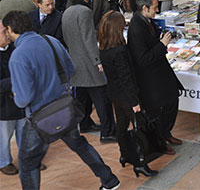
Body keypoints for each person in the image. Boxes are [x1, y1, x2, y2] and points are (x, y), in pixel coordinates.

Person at [4, 10, 120, 190]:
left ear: (11, 29)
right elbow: (70, 69)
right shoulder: (51, 41)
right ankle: (110, 180)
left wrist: (17, 95)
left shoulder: (18, 56)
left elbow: (23, 99)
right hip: (64, 109)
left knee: (27, 164)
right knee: (81, 146)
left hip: (39, 118)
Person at [98, 11, 158, 178]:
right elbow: (126, 79)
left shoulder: (104, 48)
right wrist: (134, 102)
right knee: (139, 129)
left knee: (122, 126)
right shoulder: (120, 51)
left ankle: (124, 154)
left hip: (114, 94)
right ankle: (140, 163)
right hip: (126, 96)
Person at [127, 0, 184, 153]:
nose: (157, 11)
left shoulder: (147, 21)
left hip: (160, 74)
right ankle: (160, 141)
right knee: (156, 112)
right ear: (144, 8)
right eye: (154, 7)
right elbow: (142, 59)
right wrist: (162, 45)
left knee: (172, 101)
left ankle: (166, 133)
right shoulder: (136, 28)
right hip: (150, 80)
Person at [63, 0, 116, 143]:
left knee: (82, 97)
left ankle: (85, 123)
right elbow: (89, 39)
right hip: (88, 63)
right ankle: (108, 132)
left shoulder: (66, 12)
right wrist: (97, 60)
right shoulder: (85, 12)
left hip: (74, 62)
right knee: (101, 98)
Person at [0, 19, 47, 176]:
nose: (8, 34)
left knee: (24, 133)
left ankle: (29, 159)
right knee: (4, 136)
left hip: (21, 100)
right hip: (4, 105)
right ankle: (4, 162)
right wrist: (18, 77)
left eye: (7, 30)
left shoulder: (15, 48)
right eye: (3, 32)